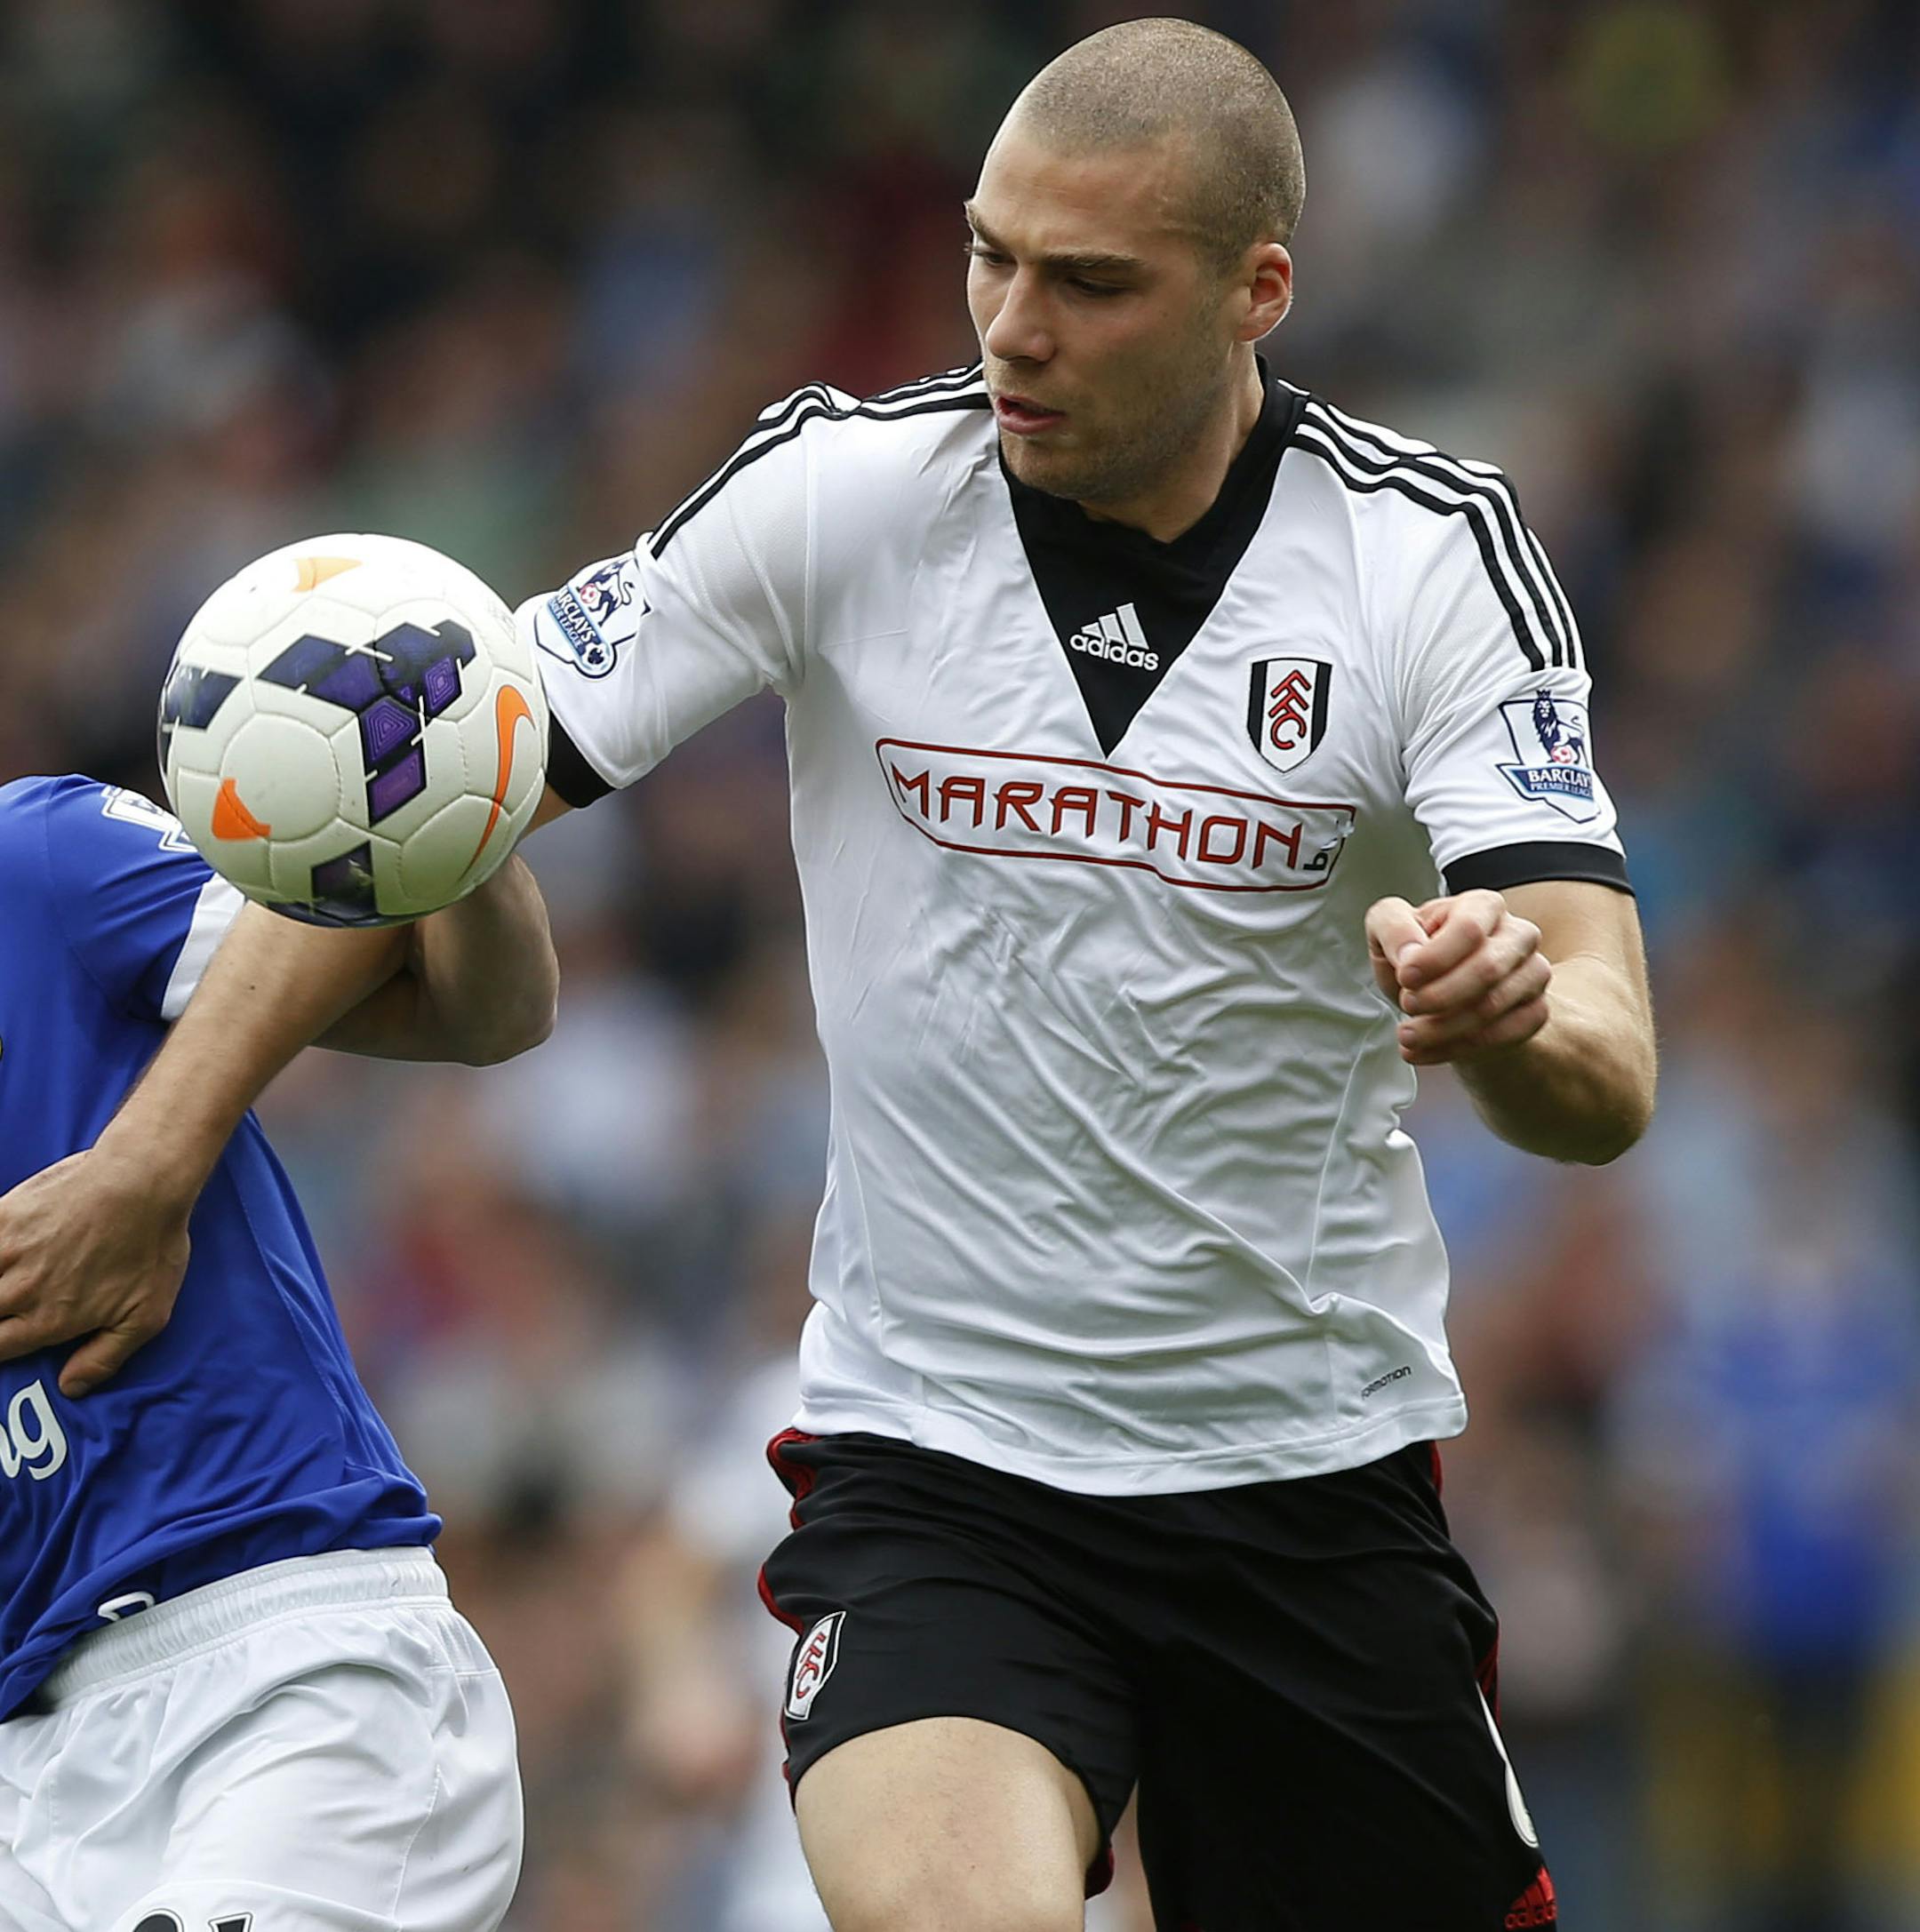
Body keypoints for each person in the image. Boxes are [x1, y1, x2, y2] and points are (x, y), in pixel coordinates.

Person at [3, 18, 1657, 1930]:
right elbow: (432, 774)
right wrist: (155, 1156)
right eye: (988, 259)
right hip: (942, 1468)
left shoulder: (1426, 560)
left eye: (1089, 283)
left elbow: (1606, 1066)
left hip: (1306, 1472)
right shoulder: (838, 494)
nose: (1013, 326)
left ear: (1255, 292)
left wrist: (1508, 1020)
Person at [0, 772, 556, 1932]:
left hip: (277, 1672)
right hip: (26, 1769)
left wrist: (150, 1160)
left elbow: (473, 999)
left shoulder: (32, 866)